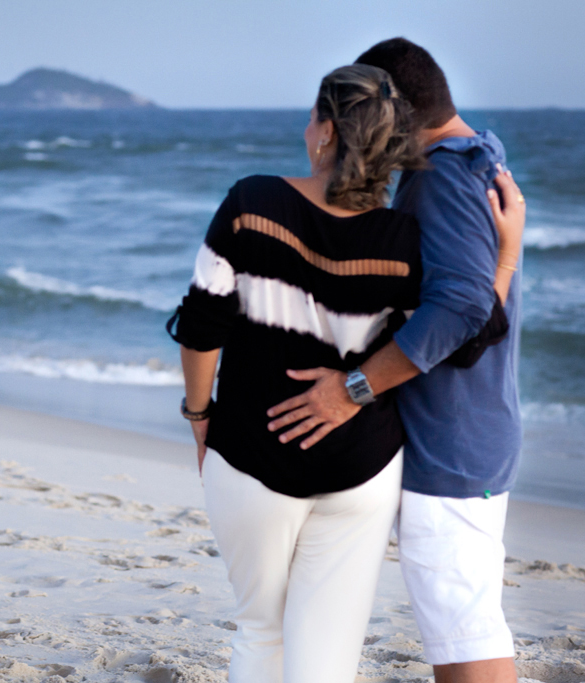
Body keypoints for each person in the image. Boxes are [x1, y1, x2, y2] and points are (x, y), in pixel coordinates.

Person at [266, 38, 526, 683]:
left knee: (465, 634)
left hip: (454, 444)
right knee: (462, 624)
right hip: (468, 433)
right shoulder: (468, 161)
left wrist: (349, 390)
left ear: (399, 111)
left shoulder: (441, 178)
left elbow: (465, 312)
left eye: (372, 109)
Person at [168, 63, 424, 683]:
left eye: (313, 117)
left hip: (253, 451)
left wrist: (200, 416)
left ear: (327, 131)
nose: (307, 128)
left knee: (261, 631)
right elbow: (433, 341)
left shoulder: (252, 203)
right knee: (327, 651)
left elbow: (203, 326)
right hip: (360, 463)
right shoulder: (404, 237)